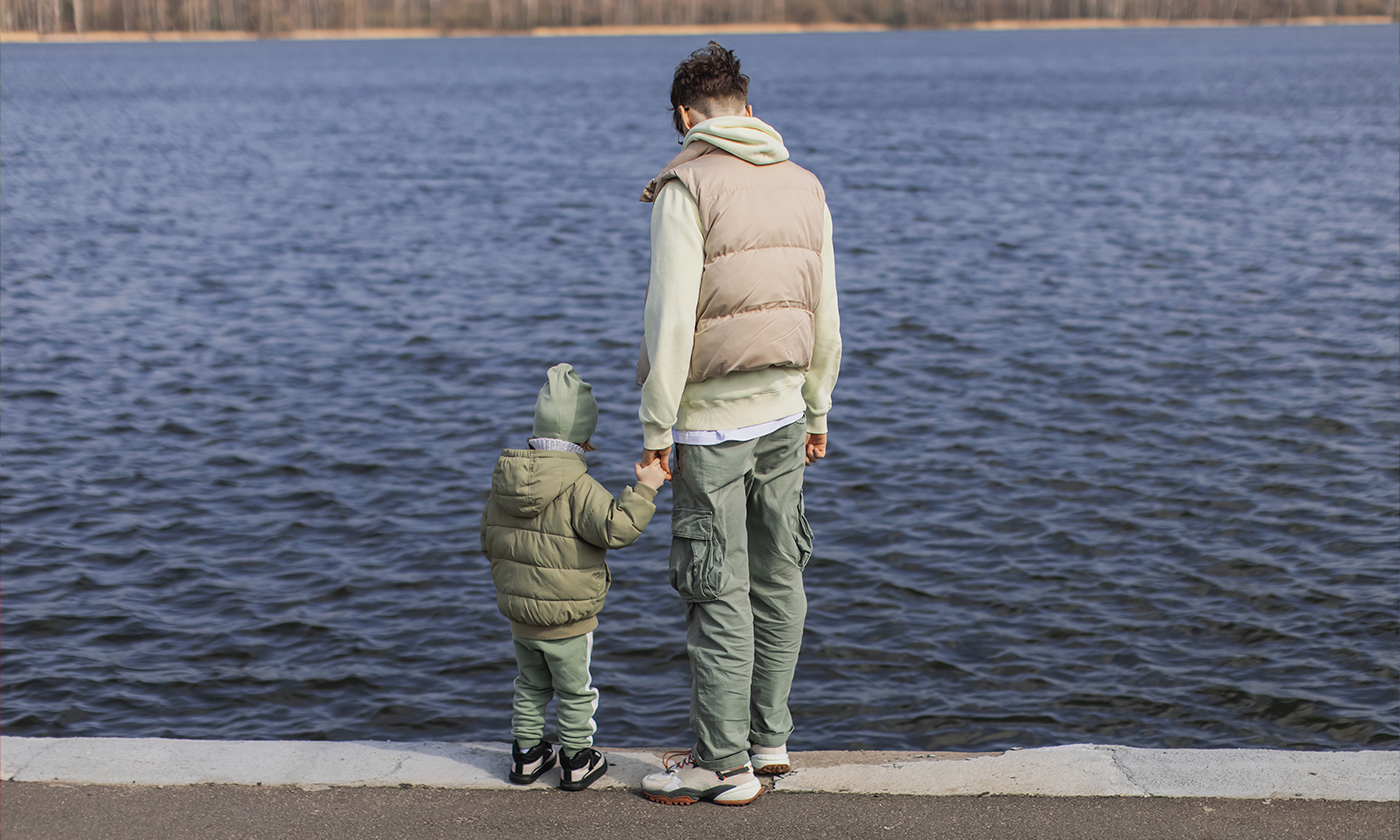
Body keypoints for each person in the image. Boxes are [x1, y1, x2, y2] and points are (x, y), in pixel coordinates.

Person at [636, 42, 842, 807]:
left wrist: (657, 429)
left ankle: (723, 766)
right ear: (748, 110)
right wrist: (819, 407)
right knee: (779, 574)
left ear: (686, 117)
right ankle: (770, 741)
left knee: (715, 584)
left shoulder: (686, 186)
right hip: (788, 410)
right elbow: (826, 313)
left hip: (712, 422)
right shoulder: (805, 185)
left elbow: (670, 321)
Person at [482, 363, 668, 791]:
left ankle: (526, 757)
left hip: (519, 613)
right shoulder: (579, 485)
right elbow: (618, 529)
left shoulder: (503, 483)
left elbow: (487, 538)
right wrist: (645, 488)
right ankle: (576, 760)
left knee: (529, 684)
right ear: (584, 438)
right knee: (575, 690)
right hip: (568, 616)